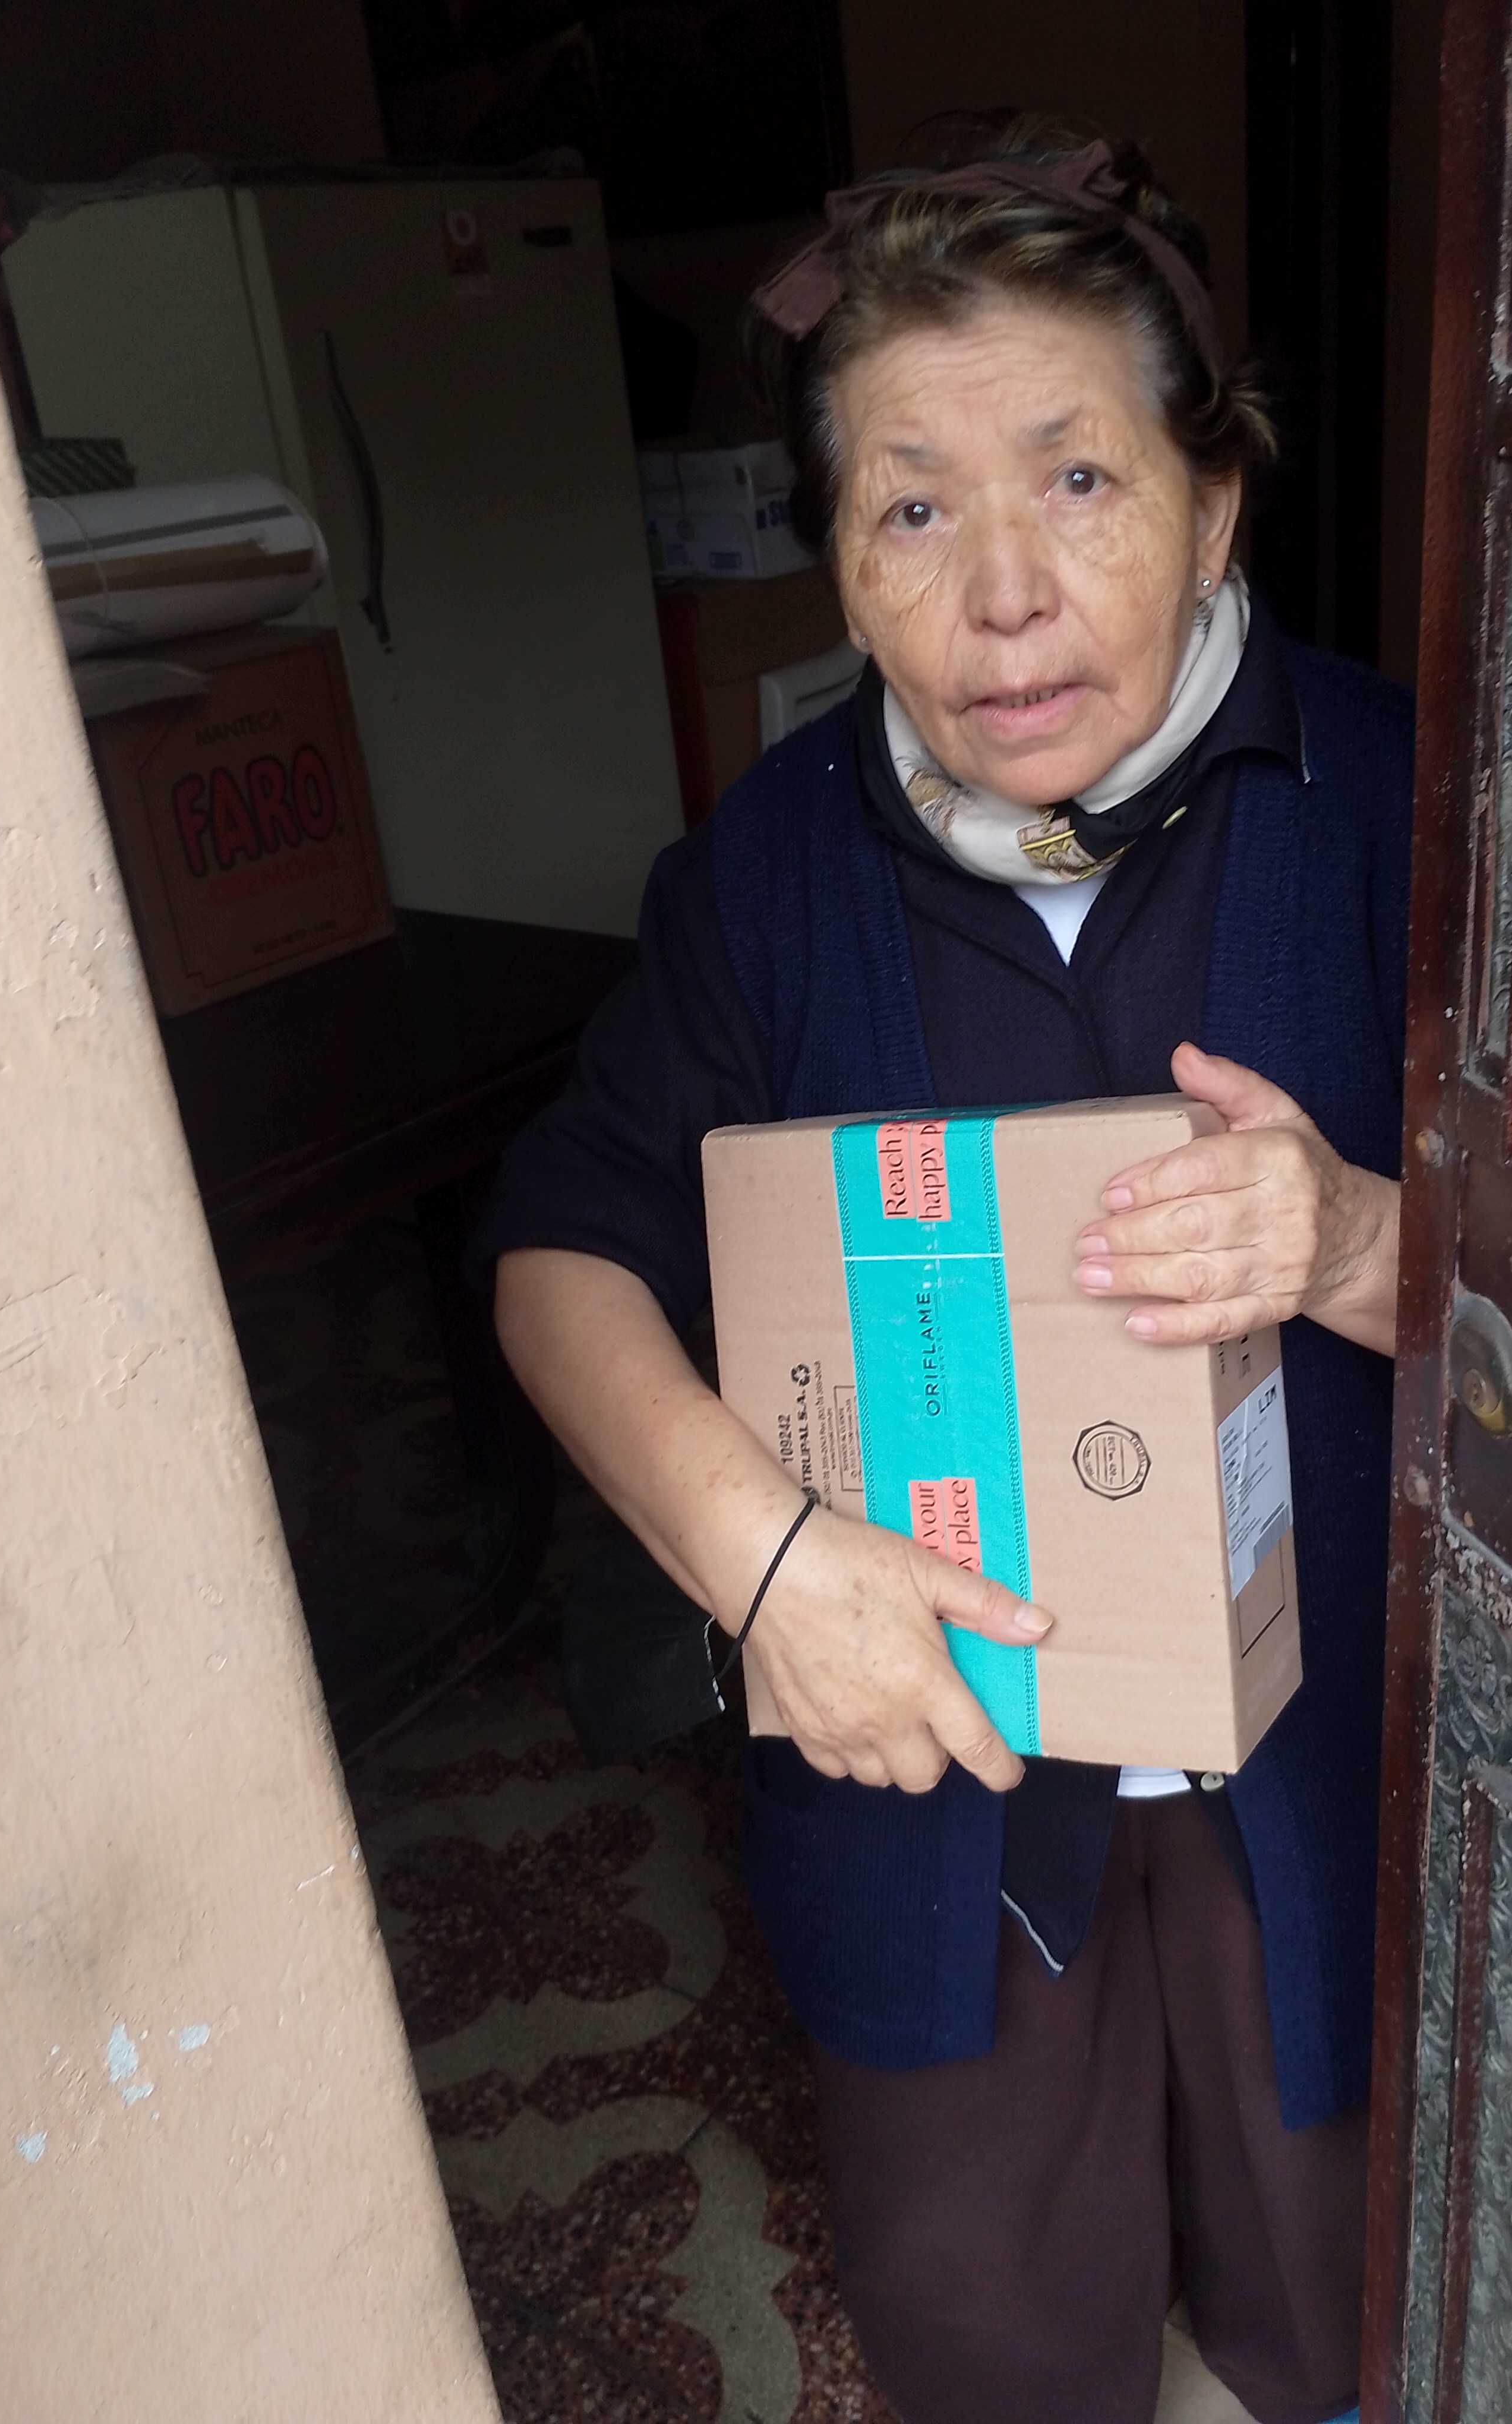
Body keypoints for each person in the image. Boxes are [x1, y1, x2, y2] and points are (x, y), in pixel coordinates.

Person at [479, 114, 1409, 2424]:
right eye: (911, 508)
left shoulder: (1415, 803)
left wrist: (1363, 1238)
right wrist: (764, 1563)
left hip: (1342, 1783)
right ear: (837, 556)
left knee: (1349, 2298)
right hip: (936, 1789)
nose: (1003, 595)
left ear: (1216, 504)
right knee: (990, 2324)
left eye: (1079, 482)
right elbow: (560, 1248)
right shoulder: (766, 875)